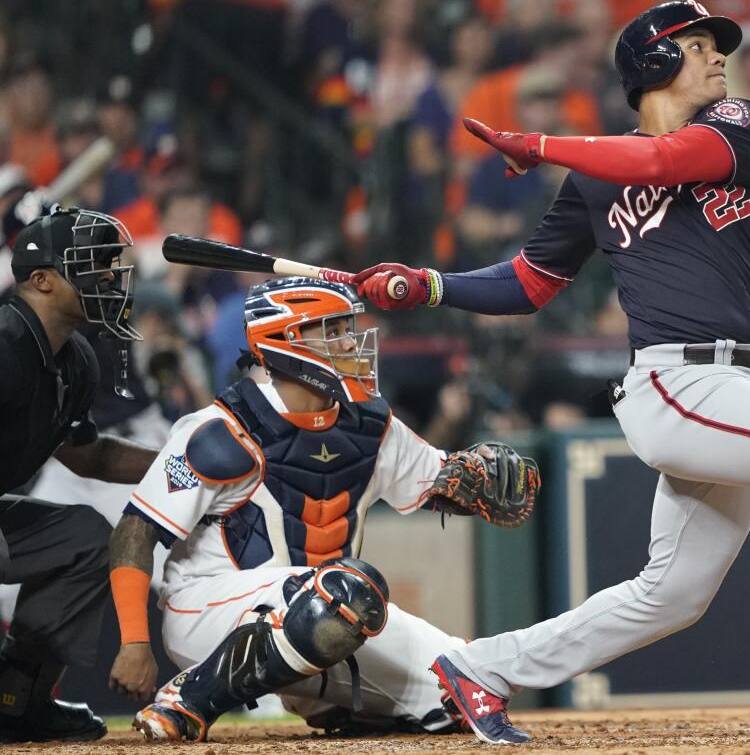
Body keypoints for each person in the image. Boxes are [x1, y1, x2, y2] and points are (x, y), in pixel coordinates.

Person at [351, 0, 750, 744]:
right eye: (695, 46)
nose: (718, 57)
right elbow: (529, 281)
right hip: (676, 382)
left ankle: (480, 666)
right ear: (652, 65)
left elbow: (660, 160)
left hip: (743, 383)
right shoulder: (594, 177)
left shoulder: (742, 125)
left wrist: (543, 142)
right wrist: (430, 284)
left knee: (672, 594)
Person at [114, 277, 540, 742]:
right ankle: (190, 699)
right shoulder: (220, 428)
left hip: (330, 615)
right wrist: (135, 641)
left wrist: (477, 482)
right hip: (207, 610)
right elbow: (136, 530)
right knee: (347, 588)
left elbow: (439, 485)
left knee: (468, 681)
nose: (351, 343)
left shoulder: (373, 425)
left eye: (348, 329)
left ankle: (341, 706)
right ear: (286, 341)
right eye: (333, 330)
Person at [0, 208, 158, 742]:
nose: (110, 278)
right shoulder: (5, 346)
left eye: (110, 266)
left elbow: (90, 458)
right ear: (41, 281)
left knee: (87, 540)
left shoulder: (75, 359)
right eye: (92, 266)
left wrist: (182, 460)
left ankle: (18, 704)